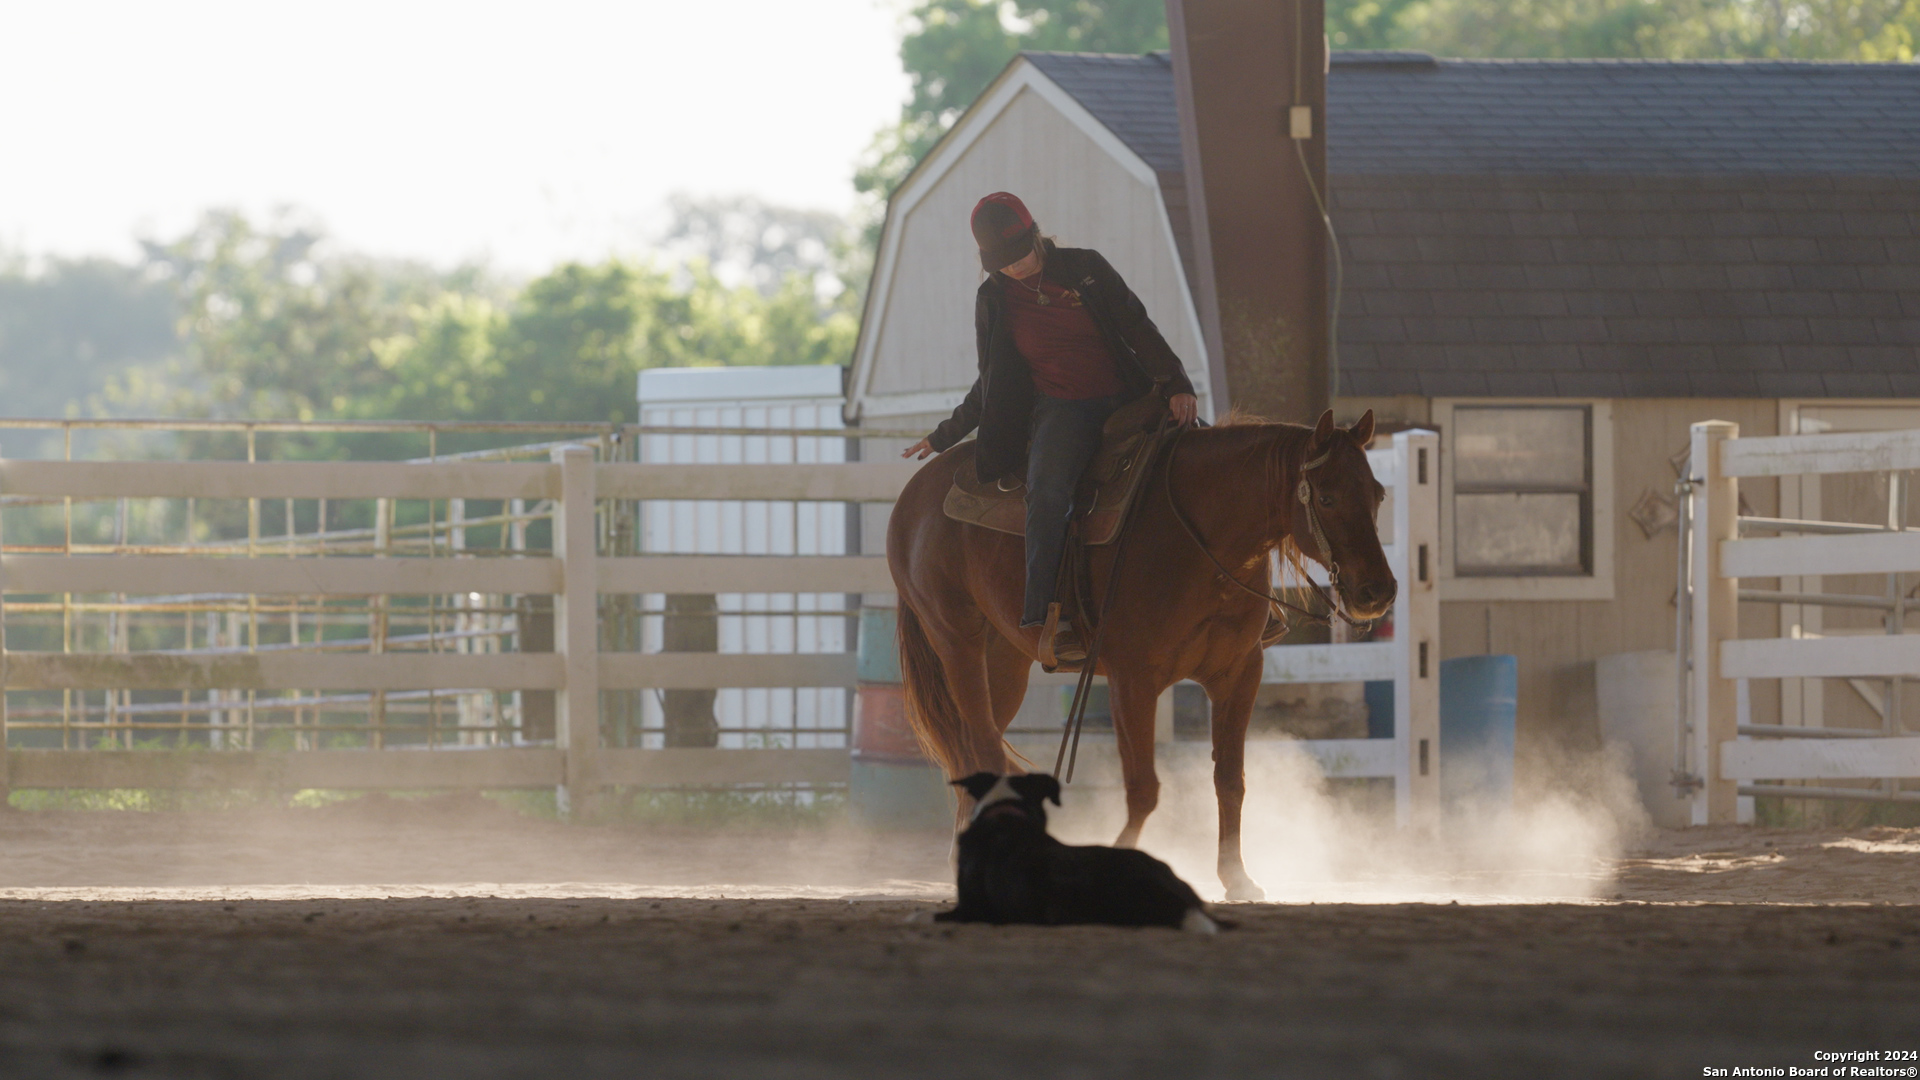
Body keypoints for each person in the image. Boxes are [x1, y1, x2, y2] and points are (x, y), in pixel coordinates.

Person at [902, 192, 1198, 663]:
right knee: (1047, 491)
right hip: (1064, 409)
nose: (1014, 268)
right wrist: (944, 435)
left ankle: (1244, 602)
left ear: (1036, 236)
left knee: (1199, 456)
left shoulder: (1087, 267)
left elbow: (1137, 325)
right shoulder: (992, 299)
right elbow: (991, 381)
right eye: (1001, 262)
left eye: (1019, 255)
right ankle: (1045, 615)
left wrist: (1177, 383)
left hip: (1129, 395)